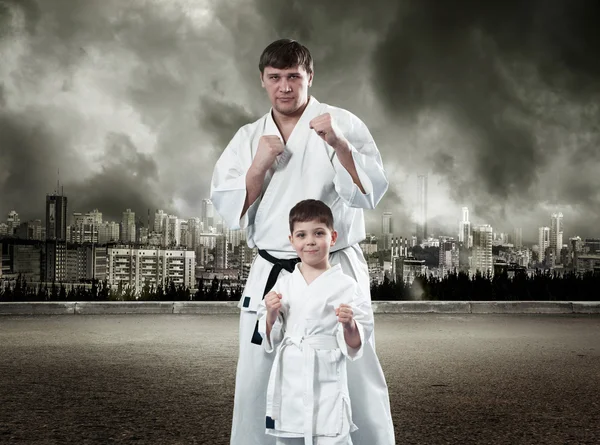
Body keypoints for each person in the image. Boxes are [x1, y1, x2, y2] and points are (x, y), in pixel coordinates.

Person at [210, 38, 395, 445]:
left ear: (310, 76)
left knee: (354, 365)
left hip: (335, 266)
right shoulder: (248, 137)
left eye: (294, 76)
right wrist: (259, 164)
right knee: (259, 369)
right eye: (275, 77)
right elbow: (228, 211)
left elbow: (370, 193)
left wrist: (339, 145)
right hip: (274, 268)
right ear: (262, 80)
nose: (285, 87)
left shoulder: (341, 122)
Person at [257, 199, 374, 445]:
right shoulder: (285, 283)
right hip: (290, 374)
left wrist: (349, 325)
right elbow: (270, 336)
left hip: (326, 372)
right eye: (301, 234)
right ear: (292, 241)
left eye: (318, 233)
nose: (310, 241)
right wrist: (270, 313)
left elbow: (356, 344)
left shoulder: (348, 287)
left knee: (332, 433)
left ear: (333, 237)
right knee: (289, 435)